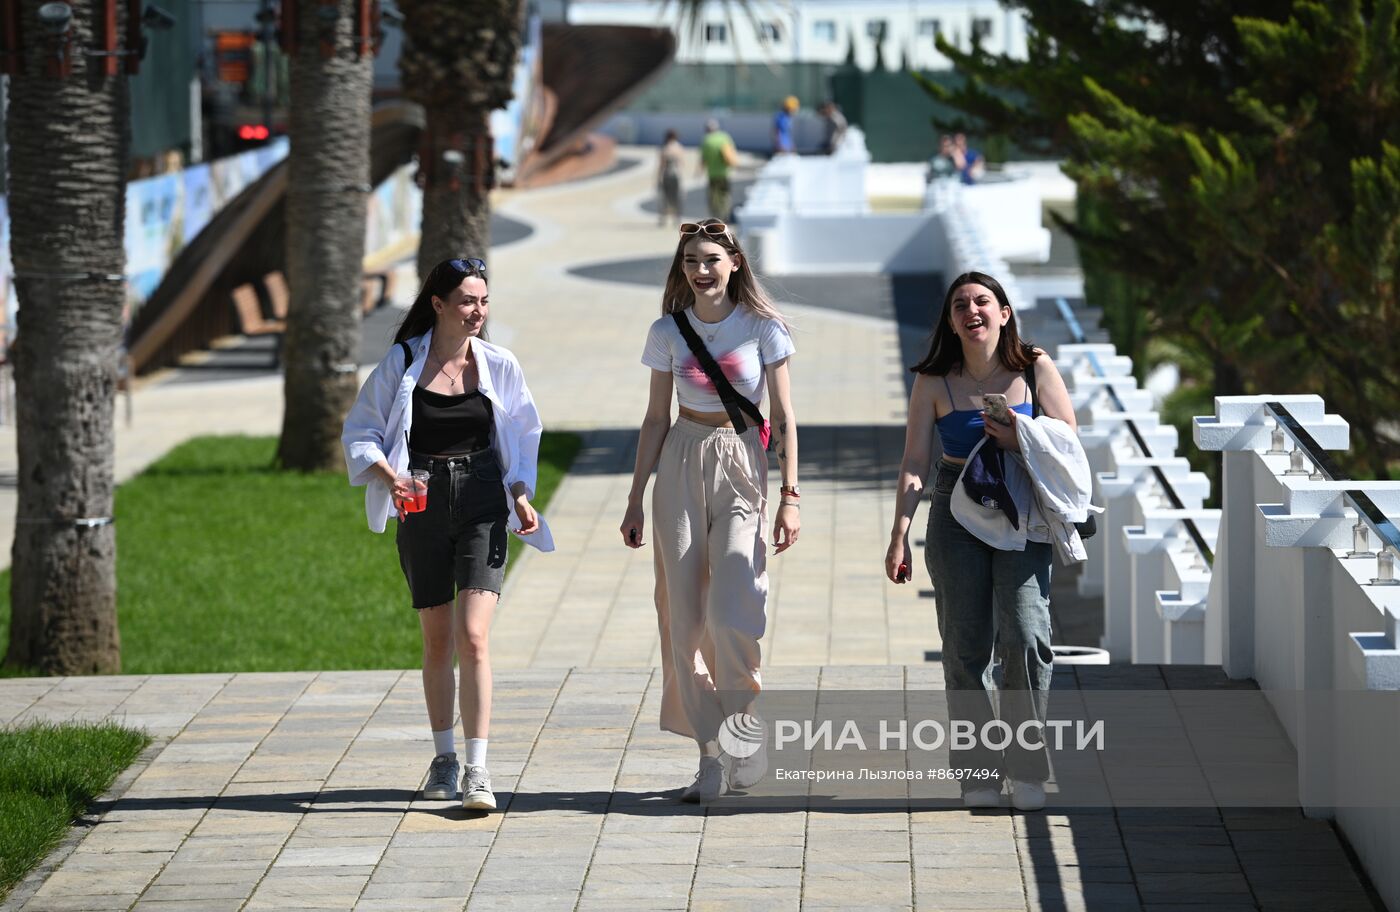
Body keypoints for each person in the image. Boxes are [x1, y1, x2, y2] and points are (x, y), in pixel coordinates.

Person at [342, 256, 553, 812]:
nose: (477, 311)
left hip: (484, 496)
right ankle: (444, 758)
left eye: (483, 300)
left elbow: (524, 432)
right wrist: (391, 476)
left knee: (474, 636)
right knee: (437, 638)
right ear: (438, 304)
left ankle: (478, 769)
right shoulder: (403, 362)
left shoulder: (498, 364)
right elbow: (361, 429)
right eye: (466, 300)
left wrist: (521, 493)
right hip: (422, 498)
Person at [620, 218, 800, 803]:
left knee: (731, 609)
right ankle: (709, 755)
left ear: (735, 264)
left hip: (740, 460)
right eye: (692, 261)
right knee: (683, 618)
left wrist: (791, 496)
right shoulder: (667, 332)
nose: (702, 271)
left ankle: (743, 726)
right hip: (679, 459)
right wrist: (634, 500)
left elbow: (786, 417)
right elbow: (654, 418)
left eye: (711, 260)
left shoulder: (763, 329)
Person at [885, 271, 1077, 812]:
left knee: (1025, 633)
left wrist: (1020, 435)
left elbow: (1068, 438)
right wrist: (899, 533)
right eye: (960, 305)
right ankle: (978, 772)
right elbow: (915, 464)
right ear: (950, 321)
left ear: (1004, 312)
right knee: (965, 649)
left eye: (982, 302)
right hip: (955, 511)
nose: (972, 311)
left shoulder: (1034, 368)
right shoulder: (933, 381)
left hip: (1022, 509)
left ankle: (1028, 768)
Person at [699, 118, 738, 220]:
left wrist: (699, 171)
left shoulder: (707, 140)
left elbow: (703, 159)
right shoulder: (725, 137)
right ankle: (725, 216)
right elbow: (732, 152)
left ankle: (716, 218)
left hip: (712, 174)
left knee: (713, 198)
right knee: (725, 195)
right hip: (725, 173)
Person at [657, 129, 685, 227]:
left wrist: (659, 178)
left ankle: (663, 218)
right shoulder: (679, 147)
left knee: (665, 197)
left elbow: (662, 165)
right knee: (676, 197)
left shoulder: (665, 148)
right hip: (677, 174)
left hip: (667, 174)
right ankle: (677, 218)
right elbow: (682, 163)